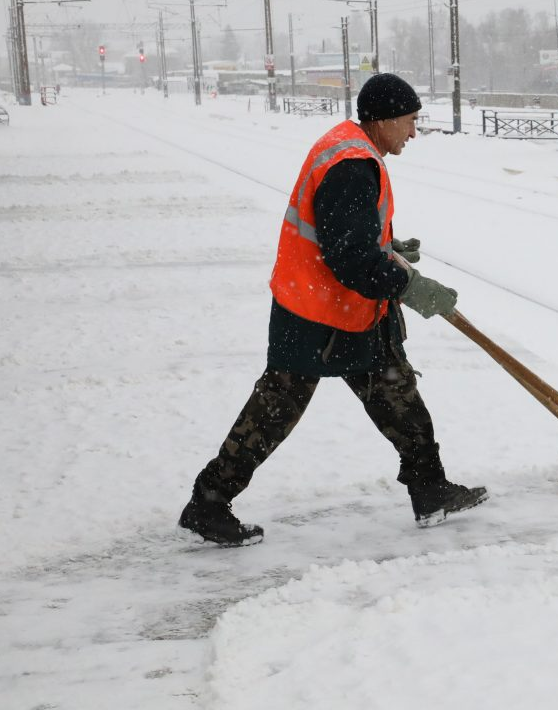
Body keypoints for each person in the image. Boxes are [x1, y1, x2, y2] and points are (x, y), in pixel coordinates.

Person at [179, 72, 487, 546]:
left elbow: (347, 236)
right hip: (316, 315)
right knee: (274, 411)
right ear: (382, 120)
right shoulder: (351, 164)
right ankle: (209, 503)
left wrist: (388, 246)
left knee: (397, 393)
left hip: (344, 310)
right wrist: (410, 285)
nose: (413, 131)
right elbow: (350, 258)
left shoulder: (352, 148)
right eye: (409, 121)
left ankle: (430, 489)